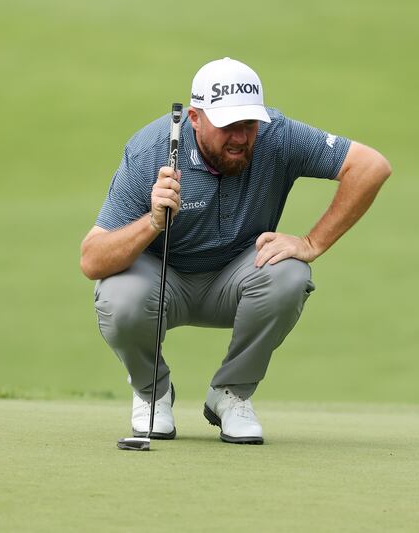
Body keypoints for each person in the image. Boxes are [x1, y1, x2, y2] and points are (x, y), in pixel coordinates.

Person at [80, 57, 390, 444]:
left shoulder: (277, 136)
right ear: (195, 118)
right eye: (228, 126)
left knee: (290, 273)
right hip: (161, 283)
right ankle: (151, 392)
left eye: (249, 124)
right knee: (118, 294)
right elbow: (92, 259)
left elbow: (371, 166)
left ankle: (231, 394)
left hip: (237, 281)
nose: (241, 137)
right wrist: (152, 223)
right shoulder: (151, 151)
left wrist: (312, 243)